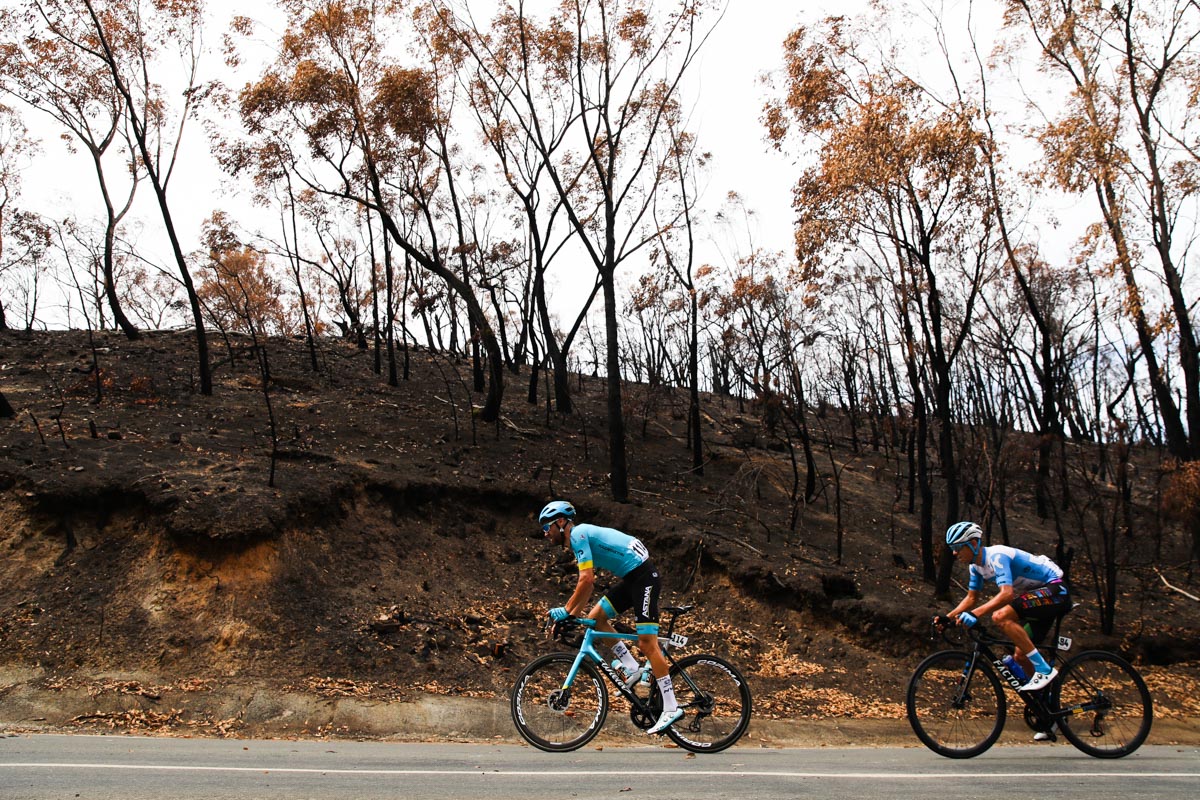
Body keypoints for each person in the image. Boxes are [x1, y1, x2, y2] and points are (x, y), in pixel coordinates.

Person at [538, 500, 684, 735]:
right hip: (632, 577)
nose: (545, 533)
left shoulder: (578, 535)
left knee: (647, 643)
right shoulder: (579, 538)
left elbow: (586, 580)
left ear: (561, 522)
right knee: (596, 618)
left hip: (644, 578)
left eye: (547, 527)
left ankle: (671, 706)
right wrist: (571, 618)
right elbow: (586, 587)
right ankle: (631, 668)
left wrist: (566, 611)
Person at [942, 521, 1071, 693]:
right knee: (1021, 656)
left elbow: (1006, 594)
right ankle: (1046, 703)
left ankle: (1044, 670)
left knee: (1001, 616)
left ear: (973, 544)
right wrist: (947, 617)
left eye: (957, 547)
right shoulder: (975, 568)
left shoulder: (997, 556)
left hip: (1056, 590)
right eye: (952, 547)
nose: (954, 552)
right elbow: (971, 598)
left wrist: (975, 614)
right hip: (1040, 598)